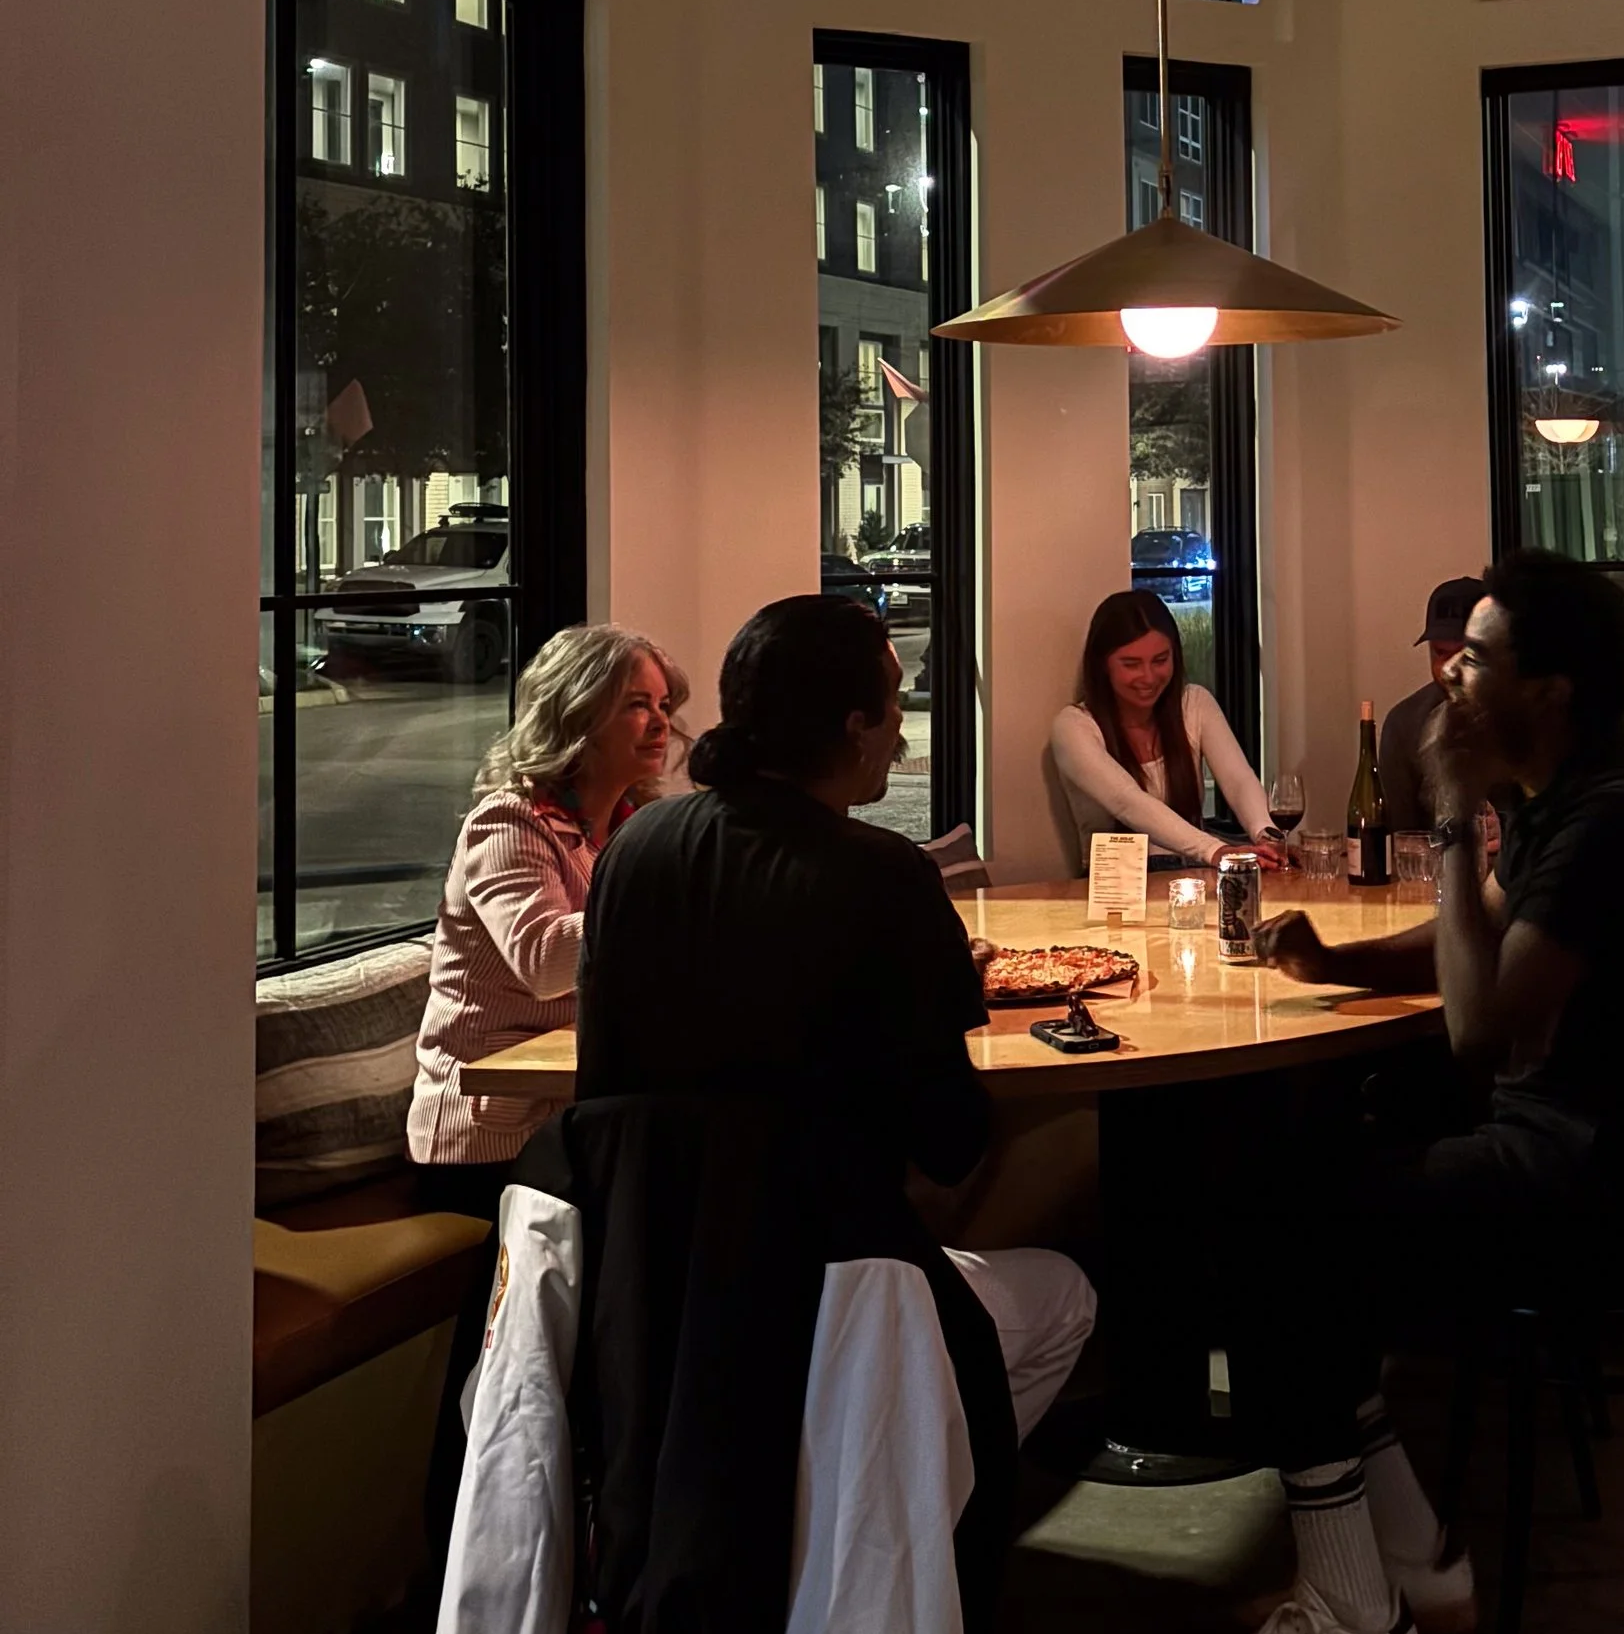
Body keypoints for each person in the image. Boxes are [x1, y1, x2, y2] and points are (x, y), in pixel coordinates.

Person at [1165, 549, 1624, 1634]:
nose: (1450, 679)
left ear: (1549, 690)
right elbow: (1478, 931)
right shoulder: (1570, 798)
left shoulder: (1609, 821)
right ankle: (1408, 1564)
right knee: (1284, 1188)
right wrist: (1335, 961)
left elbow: (1480, 1026)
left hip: (1612, 1194)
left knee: (1277, 1236)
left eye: (1475, 659)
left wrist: (1447, 815)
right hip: (1576, 1152)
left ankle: (1353, 1630)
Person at [578, 593, 1095, 1441]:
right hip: (834, 1275)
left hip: (652, 1289)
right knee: (1065, 1292)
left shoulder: (633, 852)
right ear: (856, 728)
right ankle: (890, 1494)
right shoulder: (884, 873)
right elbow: (949, 1139)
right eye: (895, 706)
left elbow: (602, 1079)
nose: (901, 728)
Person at [407, 621, 689, 1214]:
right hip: (488, 1135)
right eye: (637, 705)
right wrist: (667, 894)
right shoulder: (509, 821)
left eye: (664, 705)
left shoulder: (631, 825)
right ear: (577, 715)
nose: (661, 723)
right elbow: (546, 963)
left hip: (580, 1115)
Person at [1050, 588, 1282, 868]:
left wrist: (1267, 835)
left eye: (1160, 660)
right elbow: (1127, 801)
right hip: (1116, 884)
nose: (1148, 677)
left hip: (1194, 875)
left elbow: (1238, 779)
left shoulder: (1194, 703)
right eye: (1131, 664)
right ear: (1103, 666)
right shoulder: (1073, 727)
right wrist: (1214, 850)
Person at [1376, 574, 1488, 834]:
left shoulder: (1533, 716)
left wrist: (1507, 833)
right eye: (1441, 653)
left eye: (1465, 654)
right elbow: (1400, 838)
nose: (1450, 669)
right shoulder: (1405, 724)